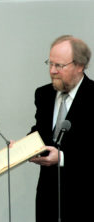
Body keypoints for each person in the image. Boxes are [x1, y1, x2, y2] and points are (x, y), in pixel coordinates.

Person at [29, 35, 94, 222]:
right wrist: (23, 147)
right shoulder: (43, 94)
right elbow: (40, 131)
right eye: (50, 63)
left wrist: (63, 157)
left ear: (79, 66)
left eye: (59, 66)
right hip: (47, 195)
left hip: (82, 198)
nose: (52, 71)